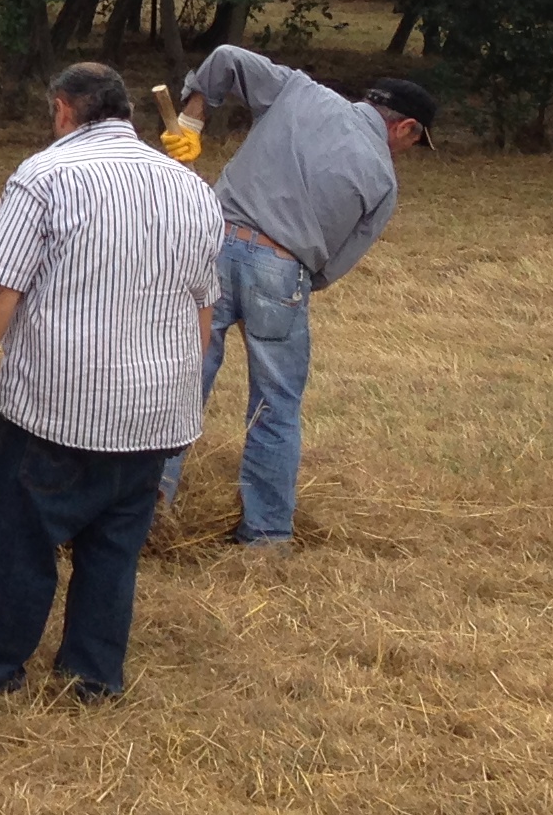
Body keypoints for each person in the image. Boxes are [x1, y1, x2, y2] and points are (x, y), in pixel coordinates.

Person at [0, 62, 224, 699]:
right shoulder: (192, 188)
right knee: (112, 549)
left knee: (11, 539)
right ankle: (91, 680)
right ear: (125, 113)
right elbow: (202, 309)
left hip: (59, 408)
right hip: (156, 413)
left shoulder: (45, 178)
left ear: (63, 109)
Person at [155, 49, 435, 551]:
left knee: (179, 381)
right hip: (283, 272)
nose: (408, 153)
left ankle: (144, 511)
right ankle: (265, 537)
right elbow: (339, 261)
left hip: (210, 246)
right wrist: (294, 275)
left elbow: (226, 59)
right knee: (275, 406)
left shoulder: (298, 91)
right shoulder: (384, 181)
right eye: (416, 143)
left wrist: (190, 119)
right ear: (406, 128)